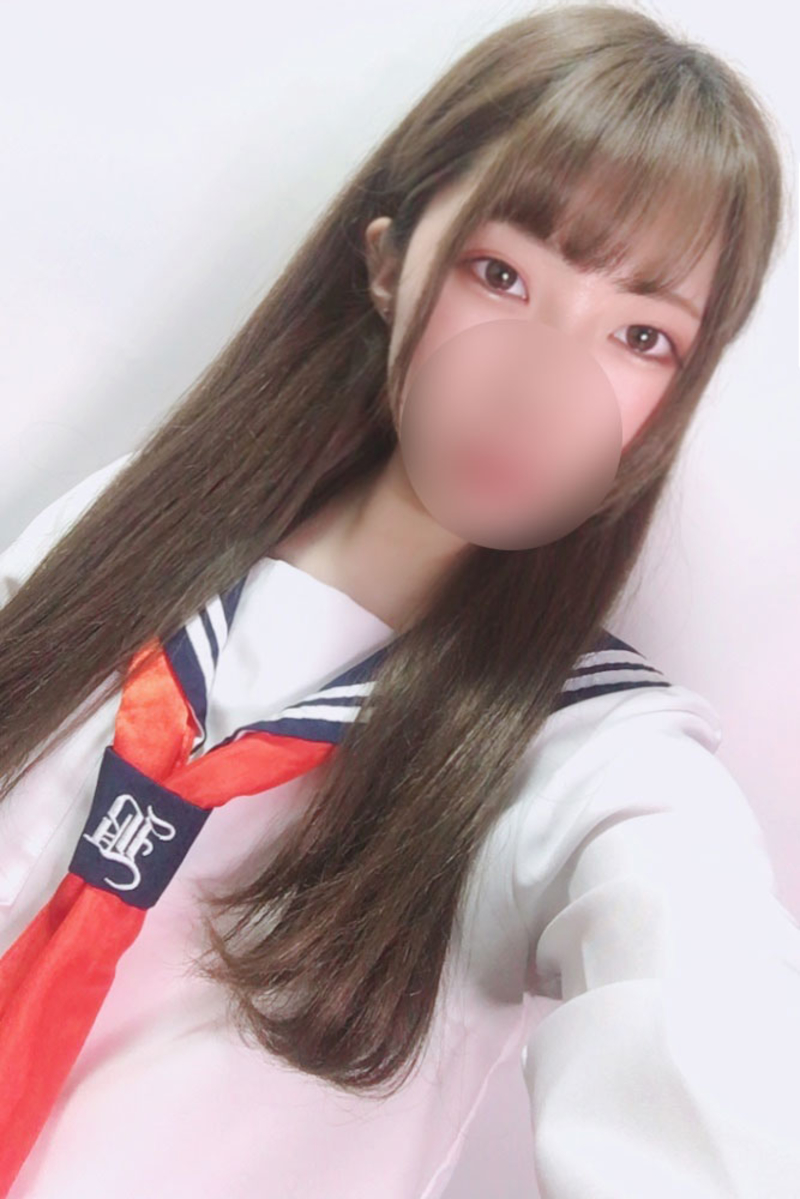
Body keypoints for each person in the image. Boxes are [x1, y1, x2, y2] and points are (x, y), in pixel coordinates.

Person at [0, 4, 798, 1197]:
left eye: (640, 335)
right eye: (500, 274)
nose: (538, 385)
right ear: (386, 261)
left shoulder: (584, 760)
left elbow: (704, 1013)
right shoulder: (122, 533)